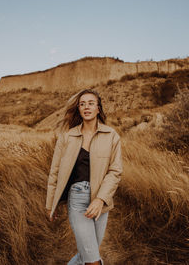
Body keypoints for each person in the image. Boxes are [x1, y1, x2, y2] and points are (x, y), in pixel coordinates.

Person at [46, 89, 123, 265]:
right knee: (93, 260)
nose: (86, 107)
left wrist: (100, 199)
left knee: (87, 254)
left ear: (98, 108)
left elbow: (115, 171)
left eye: (90, 103)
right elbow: (55, 171)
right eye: (82, 104)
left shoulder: (111, 136)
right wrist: (51, 204)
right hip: (78, 198)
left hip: (101, 203)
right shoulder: (67, 136)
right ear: (79, 109)